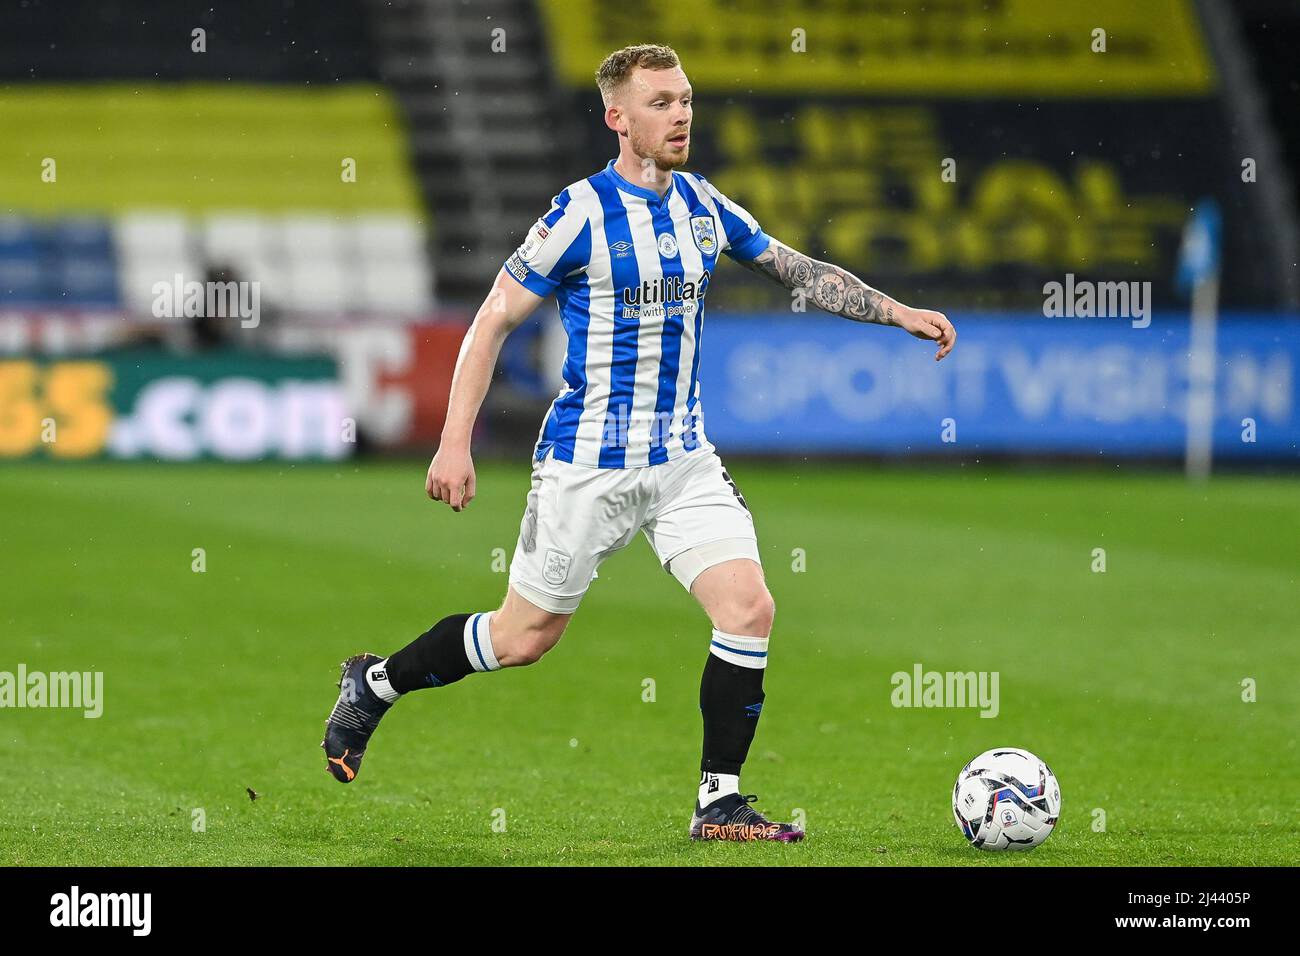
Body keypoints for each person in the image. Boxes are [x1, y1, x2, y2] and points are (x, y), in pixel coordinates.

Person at [321, 43, 955, 843]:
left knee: (749, 607)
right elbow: (491, 322)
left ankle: (718, 802)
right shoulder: (576, 216)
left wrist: (898, 312)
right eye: (661, 102)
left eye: (686, 98)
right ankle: (374, 684)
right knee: (522, 641)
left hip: (684, 460)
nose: (681, 113)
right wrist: (455, 442)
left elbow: (796, 271)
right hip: (588, 465)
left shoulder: (704, 206)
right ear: (617, 119)